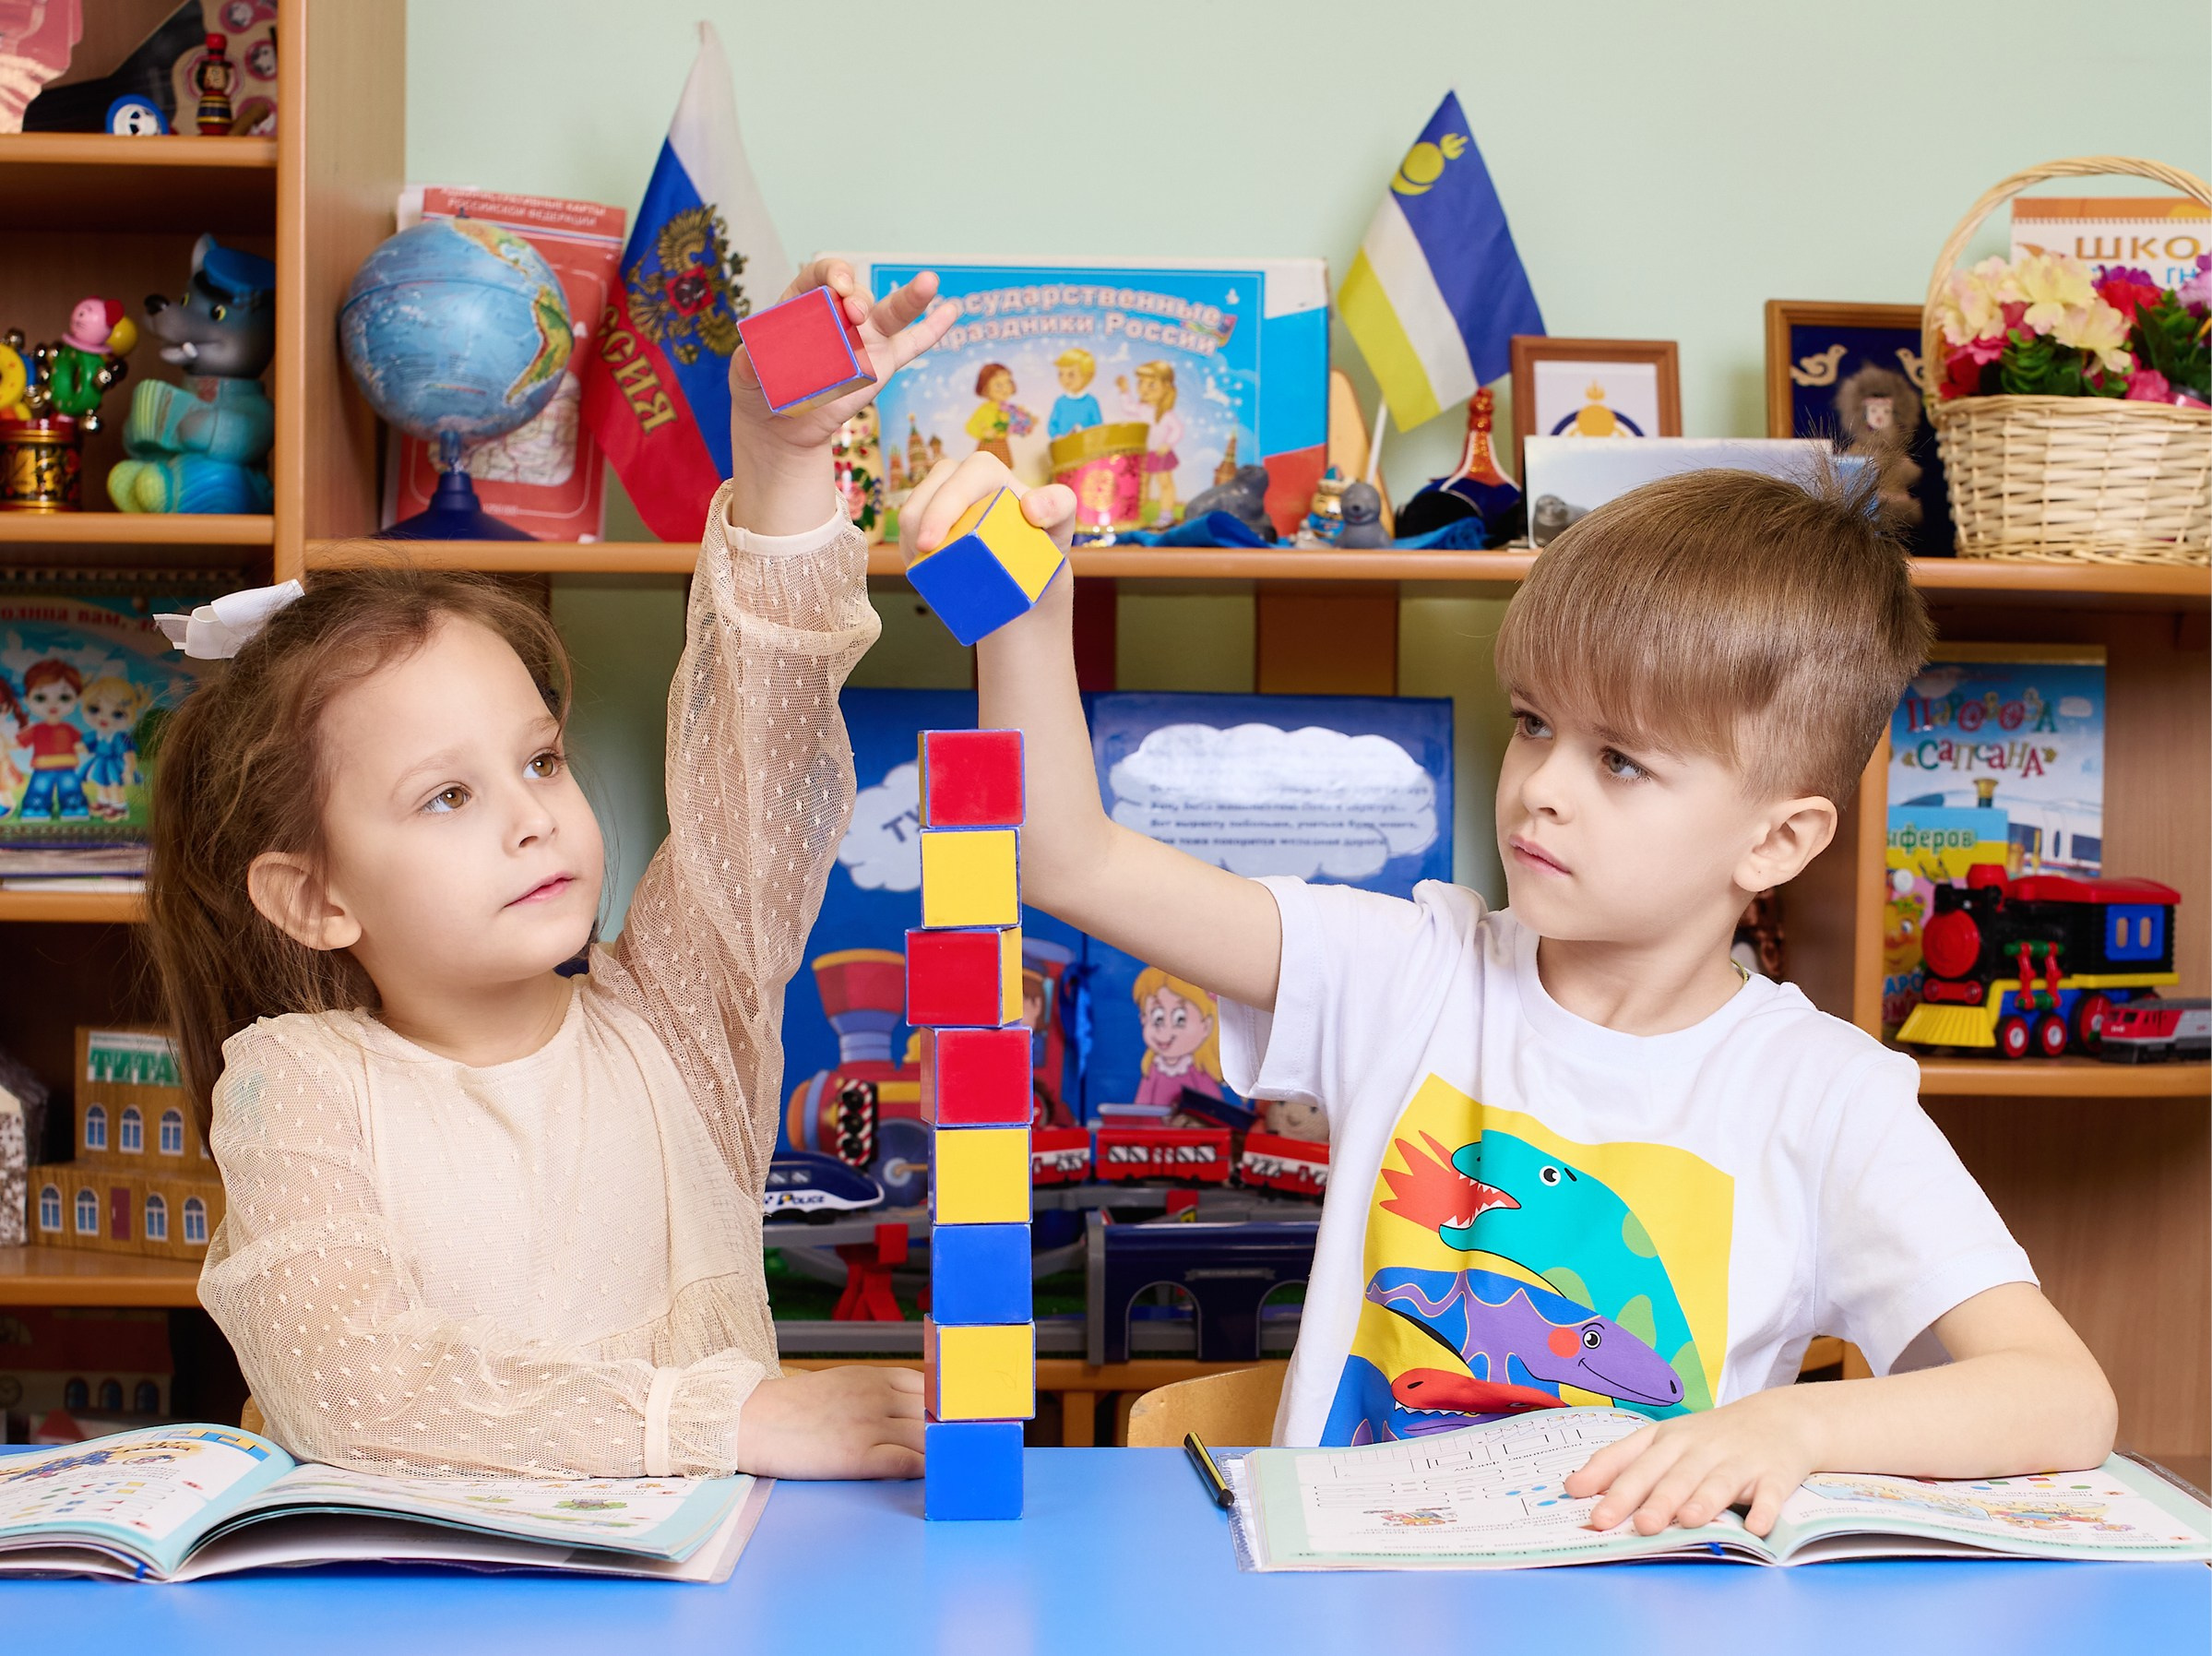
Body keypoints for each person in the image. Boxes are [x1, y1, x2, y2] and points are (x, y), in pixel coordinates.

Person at [903, 451, 2117, 1539]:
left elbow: (2060, 1397)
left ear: (1776, 839)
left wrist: (1790, 1430)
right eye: (1533, 723)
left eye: (1620, 758)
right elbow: (1067, 857)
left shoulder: (1825, 1094)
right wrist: (1025, 619)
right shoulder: (1409, 969)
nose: (1540, 785)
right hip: (1341, 1606)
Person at [145, 261, 955, 1483]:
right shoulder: (294, 1081)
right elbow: (353, 1387)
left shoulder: (681, 1013)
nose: (532, 818)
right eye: (448, 795)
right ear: (314, 896)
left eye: (539, 759)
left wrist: (785, 456)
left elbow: (760, 753)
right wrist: (728, 1420)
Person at [1130, 965, 1225, 1112]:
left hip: (1193, 1133)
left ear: (1206, 1025)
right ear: (1143, 1018)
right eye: (1158, 1018)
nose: (1166, 1031)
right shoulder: (1154, 1068)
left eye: (1180, 1019)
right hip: (1155, 1133)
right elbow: (1141, 1106)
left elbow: (1214, 1110)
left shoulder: (1197, 1070)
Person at [1047, 347, 1102, 439]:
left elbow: (1098, 426)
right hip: (1064, 446)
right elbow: (1052, 425)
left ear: (1087, 375)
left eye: (1071, 375)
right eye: (1061, 374)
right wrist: (1057, 436)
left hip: (1086, 447)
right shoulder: (1060, 402)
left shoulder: (1091, 402)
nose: (1065, 379)